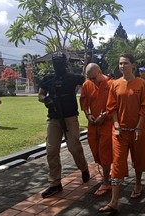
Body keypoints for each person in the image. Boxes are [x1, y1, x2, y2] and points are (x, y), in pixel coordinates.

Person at [99, 53, 145, 213]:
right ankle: (114, 201)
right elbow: (111, 107)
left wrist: (138, 127)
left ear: (133, 65)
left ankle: (138, 184)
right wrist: (116, 126)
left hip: (138, 129)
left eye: (126, 63)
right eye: (120, 63)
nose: (122, 66)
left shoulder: (141, 84)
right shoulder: (115, 84)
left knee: (140, 157)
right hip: (120, 132)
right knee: (117, 164)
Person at [38, 52, 90, 198]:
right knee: (51, 151)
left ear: (65, 63)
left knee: (74, 148)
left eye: (60, 62)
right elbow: (40, 95)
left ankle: (84, 168)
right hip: (53, 120)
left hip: (70, 118)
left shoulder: (73, 77)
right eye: (55, 62)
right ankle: (55, 183)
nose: (57, 64)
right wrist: (46, 99)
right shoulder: (48, 79)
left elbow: (89, 84)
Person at [80, 63, 113, 196]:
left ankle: (106, 183)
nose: (92, 81)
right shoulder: (87, 85)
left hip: (107, 123)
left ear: (100, 72)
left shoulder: (111, 84)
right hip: (93, 124)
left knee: (105, 150)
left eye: (93, 78)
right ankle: (108, 173)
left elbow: (115, 104)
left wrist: (104, 115)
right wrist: (88, 115)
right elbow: (84, 102)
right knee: (96, 150)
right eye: (89, 78)